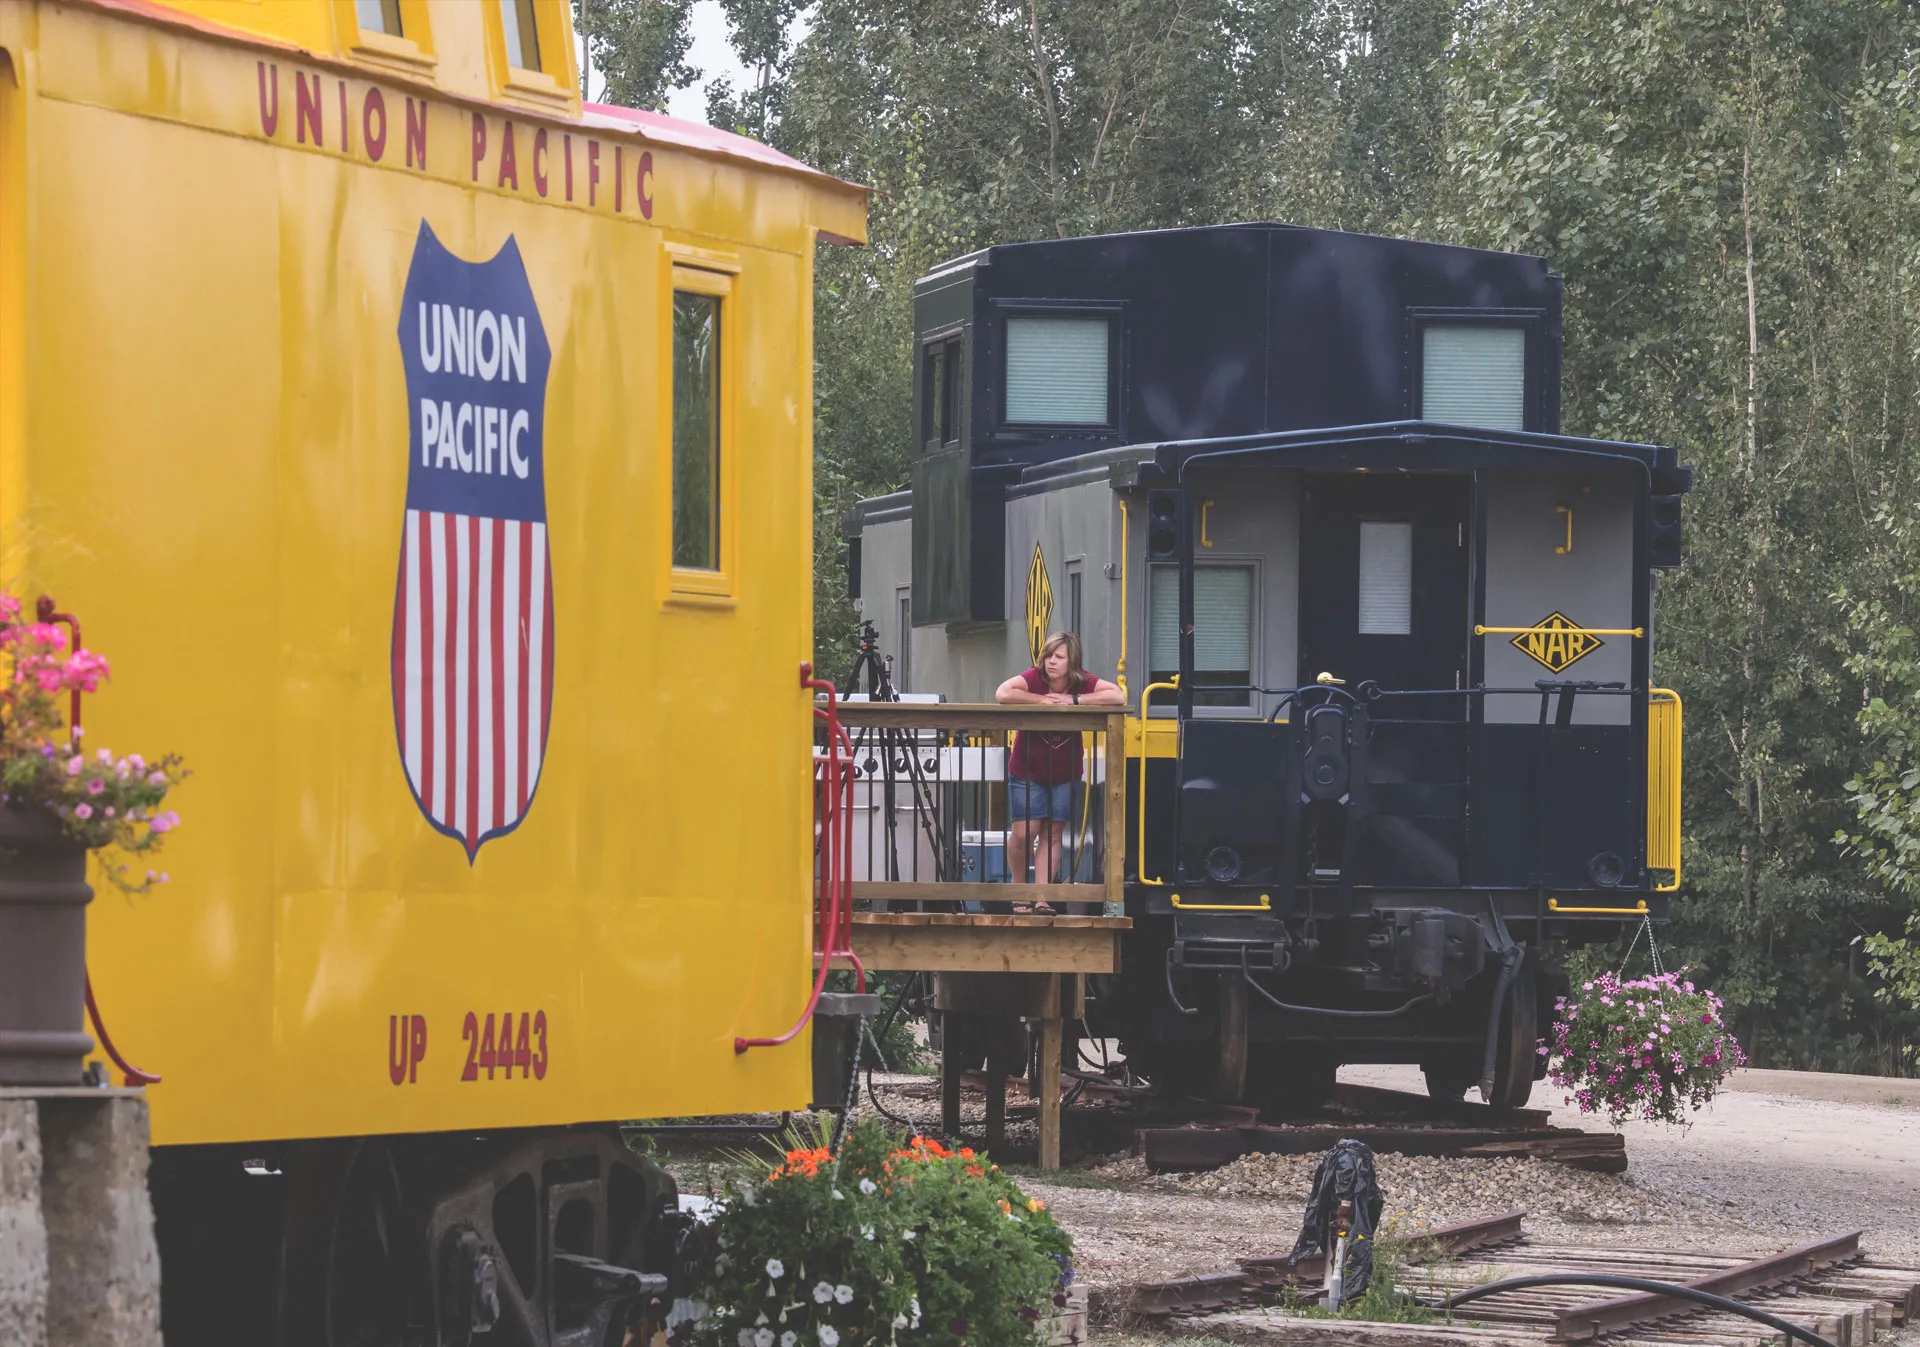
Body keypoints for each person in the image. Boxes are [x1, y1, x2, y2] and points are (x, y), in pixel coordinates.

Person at [995, 632, 1125, 912]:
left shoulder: (1083, 682)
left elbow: (1117, 694)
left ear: (1072, 661)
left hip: (1065, 770)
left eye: (1059, 657)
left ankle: (1043, 896)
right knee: (1024, 832)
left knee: (1053, 834)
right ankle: (1020, 891)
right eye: (1048, 655)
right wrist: (1040, 701)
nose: (1051, 661)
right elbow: (1003, 693)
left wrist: (1076, 702)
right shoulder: (1033, 677)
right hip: (1026, 769)